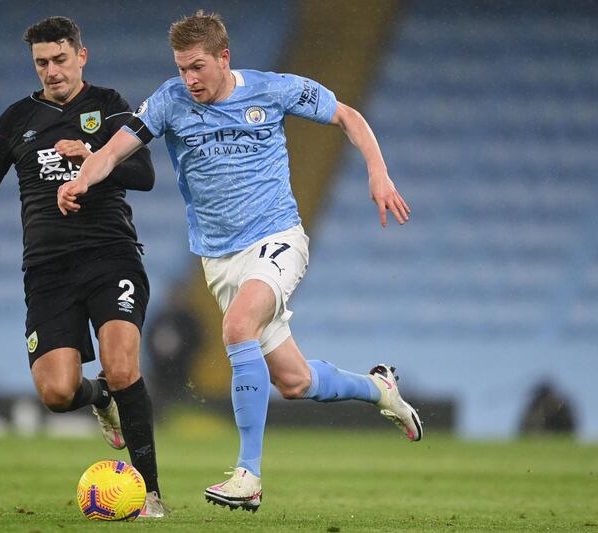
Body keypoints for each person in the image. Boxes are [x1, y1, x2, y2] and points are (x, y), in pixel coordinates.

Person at [56, 11, 422, 512]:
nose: (190, 79)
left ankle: (248, 474)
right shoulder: (169, 100)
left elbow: (347, 116)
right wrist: (83, 179)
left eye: (198, 67)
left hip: (277, 239)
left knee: (236, 327)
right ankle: (380, 390)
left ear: (224, 58)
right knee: (293, 382)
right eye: (182, 68)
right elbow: (114, 150)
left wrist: (378, 174)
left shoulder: (272, 90)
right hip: (220, 260)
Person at [0, 16, 168, 517]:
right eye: (42, 63)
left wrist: (95, 155)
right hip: (47, 268)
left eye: (60, 60)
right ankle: (99, 398)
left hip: (111, 255)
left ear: (81, 56)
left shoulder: (109, 105)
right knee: (56, 391)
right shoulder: (13, 121)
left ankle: (150, 492)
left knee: (121, 363)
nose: (52, 71)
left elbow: (146, 174)